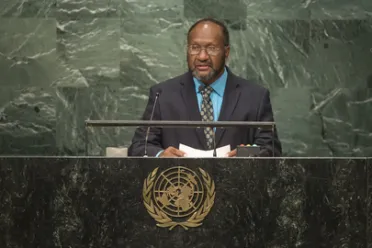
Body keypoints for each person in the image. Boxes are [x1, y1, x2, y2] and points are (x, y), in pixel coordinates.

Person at [128, 18, 282, 157]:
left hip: (235, 185)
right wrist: (161, 155)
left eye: (211, 48)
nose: (202, 56)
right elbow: (140, 146)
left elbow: (271, 148)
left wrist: (247, 155)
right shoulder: (162, 95)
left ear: (226, 52)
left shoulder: (255, 96)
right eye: (195, 48)